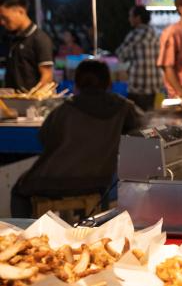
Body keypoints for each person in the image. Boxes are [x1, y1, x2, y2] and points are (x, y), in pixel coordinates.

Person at [10, 60, 143, 218]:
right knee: (108, 187)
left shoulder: (65, 110)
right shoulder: (123, 108)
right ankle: (93, 227)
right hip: (99, 182)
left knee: (19, 192)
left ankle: (25, 234)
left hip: (52, 181)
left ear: (77, 83)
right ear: (109, 82)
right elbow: (142, 130)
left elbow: (44, 137)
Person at [0, 0, 54, 92]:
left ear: (20, 11)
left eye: (5, 17)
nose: (2, 22)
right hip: (13, 100)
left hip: (30, 102)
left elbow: (47, 75)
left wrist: (34, 98)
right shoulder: (12, 38)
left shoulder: (39, 38)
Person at [115, 6, 160, 111]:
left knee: (138, 119)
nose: (129, 19)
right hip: (154, 84)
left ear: (138, 18)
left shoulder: (135, 34)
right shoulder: (155, 33)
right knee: (149, 118)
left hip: (138, 84)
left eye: (130, 16)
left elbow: (121, 54)